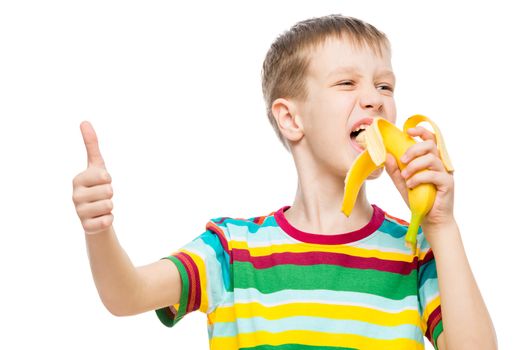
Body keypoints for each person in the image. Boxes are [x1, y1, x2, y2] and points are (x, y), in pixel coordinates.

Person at [72, 14, 497, 350]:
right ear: (291, 118)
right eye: (347, 82)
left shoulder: (415, 250)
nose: (375, 98)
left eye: (384, 85)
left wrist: (441, 226)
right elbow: (125, 295)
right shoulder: (232, 250)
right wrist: (99, 229)